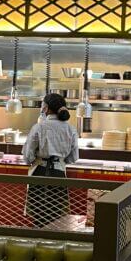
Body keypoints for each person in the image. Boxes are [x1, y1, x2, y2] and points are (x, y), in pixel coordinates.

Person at [22, 93, 80, 228]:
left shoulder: (39, 127)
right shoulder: (71, 129)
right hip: (59, 174)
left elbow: (27, 157)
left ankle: (38, 238)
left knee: (38, 217)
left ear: (46, 108)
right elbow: (73, 157)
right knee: (56, 218)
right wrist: (60, 161)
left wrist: (36, 159)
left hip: (39, 173)